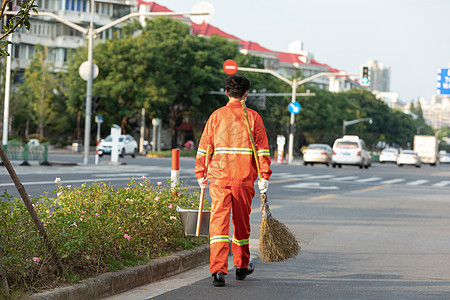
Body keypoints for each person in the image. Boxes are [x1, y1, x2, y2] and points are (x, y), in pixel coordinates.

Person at [194, 75, 272, 287]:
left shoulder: (216, 116)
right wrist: (264, 176)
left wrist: (201, 173)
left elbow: (204, 147)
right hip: (243, 177)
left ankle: (218, 272)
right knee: (241, 224)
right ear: (246, 93)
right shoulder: (253, 118)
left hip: (219, 178)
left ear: (226, 92)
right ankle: (241, 266)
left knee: (218, 224)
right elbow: (262, 150)